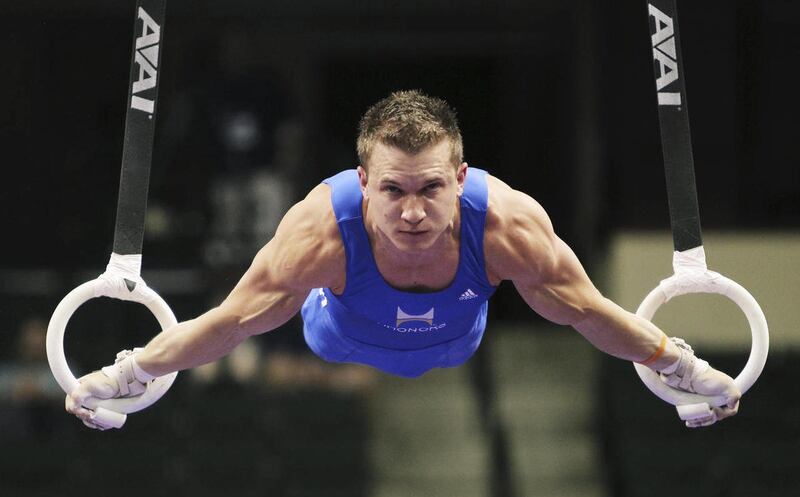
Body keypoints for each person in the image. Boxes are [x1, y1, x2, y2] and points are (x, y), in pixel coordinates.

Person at [66, 90, 740, 430]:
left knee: (553, 300)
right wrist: (131, 370)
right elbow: (230, 321)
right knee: (274, 311)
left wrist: (681, 365)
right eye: (392, 189)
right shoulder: (319, 234)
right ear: (363, 183)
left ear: (461, 175)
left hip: (459, 339)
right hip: (336, 331)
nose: (412, 211)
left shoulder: (507, 227)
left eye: (431, 188)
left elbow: (590, 313)